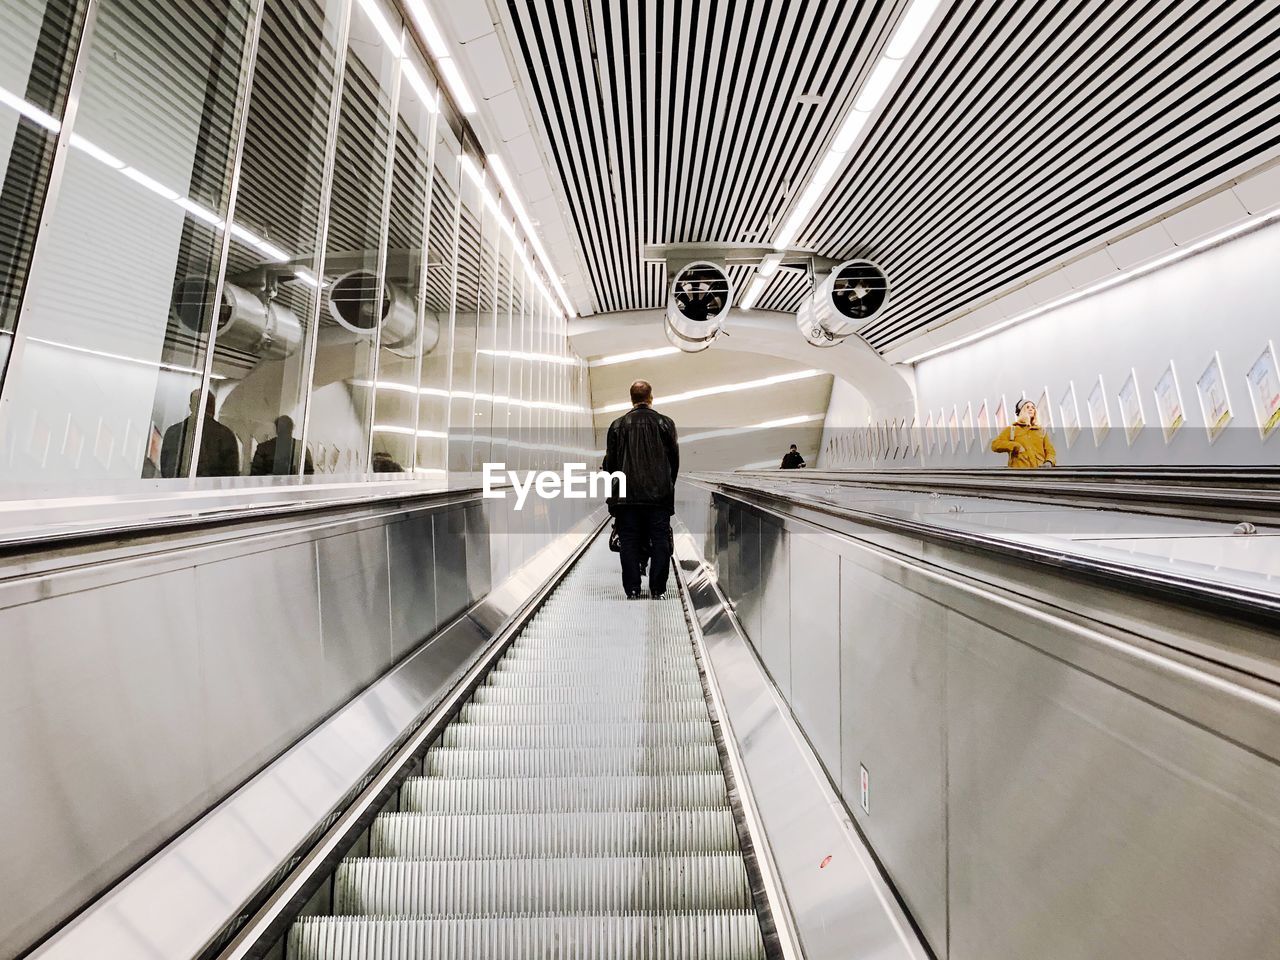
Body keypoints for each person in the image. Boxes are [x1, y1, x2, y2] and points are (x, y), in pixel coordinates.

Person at [602, 379, 679, 599]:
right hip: (658, 496)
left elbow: (612, 464)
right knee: (661, 540)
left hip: (627, 498)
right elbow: (674, 460)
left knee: (629, 542)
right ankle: (658, 589)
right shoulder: (665, 423)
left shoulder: (617, 425)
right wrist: (666, 484)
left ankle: (633, 589)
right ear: (651, 398)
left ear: (632, 399)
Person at [161, 389, 241, 478]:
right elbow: (230, 475)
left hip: (175, 488)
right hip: (209, 490)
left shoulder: (172, 432)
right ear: (212, 408)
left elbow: (165, 468)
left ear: (191, 406)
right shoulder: (225, 435)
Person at [991, 398, 1056, 468]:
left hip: (1040, 474)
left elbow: (1050, 451)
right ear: (1021, 411)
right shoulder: (1012, 430)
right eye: (1027, 407)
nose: (1031, 409)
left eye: (1033, 407)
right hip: (1020, 474)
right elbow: (995, 445)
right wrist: (1015, 445)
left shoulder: (1041, 431)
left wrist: (1049, 461)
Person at [250, 415, 315, 476]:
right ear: (292, 428)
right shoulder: (301, 448)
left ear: (276, 429)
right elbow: (308, 474)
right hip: (292, 486)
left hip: (270, 486)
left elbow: (256, 474)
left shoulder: (263, 448)